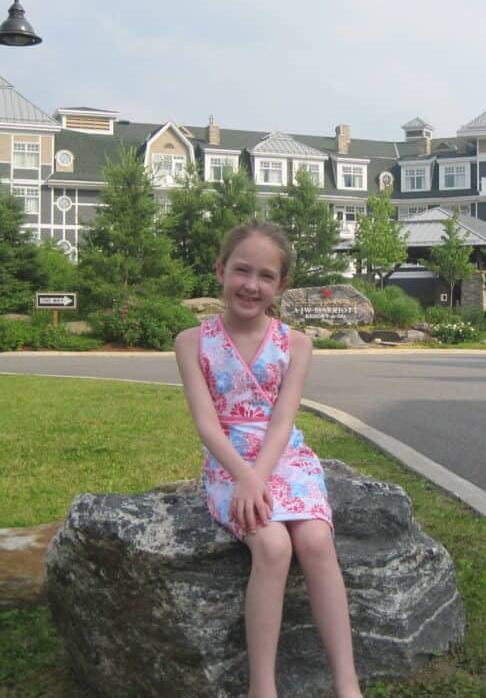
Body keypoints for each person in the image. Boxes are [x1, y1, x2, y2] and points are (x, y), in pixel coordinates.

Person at [175, 219, 362, 698]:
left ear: (281, 285)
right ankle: (264, 687)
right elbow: (206, 424)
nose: (251, 285)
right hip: (228, 463)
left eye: (265, 276)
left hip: (284, 458)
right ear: (220, 269)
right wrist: (245, 478)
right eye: (241, 270)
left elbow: (282, 422)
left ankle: (347, 683)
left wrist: (261, 475)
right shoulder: (193, 342)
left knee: (316, 539)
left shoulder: (295, 344)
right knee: (274, 547)